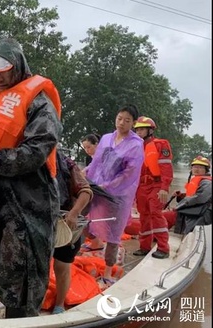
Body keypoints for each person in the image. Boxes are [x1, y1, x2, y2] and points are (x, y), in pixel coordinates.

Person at [0, 37, 62, 318]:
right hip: (2, 195)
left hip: (33, 198)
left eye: (1, 71)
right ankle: (12, 314)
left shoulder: (39, 103)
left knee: (25, 265)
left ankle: (23, 319)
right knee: (4, 264)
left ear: (17, 66)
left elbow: (36, 152)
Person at [84, 104, 144, 288]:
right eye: (119, 118)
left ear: (133, 123)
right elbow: (97, 163)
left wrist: (108, 185)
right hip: (99, 187)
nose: (122, 123)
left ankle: (108, 272)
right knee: (84, 218)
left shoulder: (135, 144)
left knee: (113, 233)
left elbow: (129, 173)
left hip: (119, 194)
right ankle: (94, 242)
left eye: (127, 120)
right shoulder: (106, 138)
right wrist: (83, 174)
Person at [51, 151, 93, 314]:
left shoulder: (66, 163)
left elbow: (85, 190)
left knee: (62, 264)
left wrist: (74, 213)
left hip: (65, 221)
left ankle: (59, 304)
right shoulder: (26, 158)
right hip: (38, 223)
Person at [133, 116, 173, 259]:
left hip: (156, 184)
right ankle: (144, 247)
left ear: (150, 130)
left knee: (156, 213)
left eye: (142, 129)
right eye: (137, 130)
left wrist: (164, 187)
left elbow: (166, 167)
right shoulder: (135, 147)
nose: (138, 132)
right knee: (144, 216)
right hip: (141, 186)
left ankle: (163, 248)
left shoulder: (160, 145)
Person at [171, 156, 212, 234]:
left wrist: (180, 205)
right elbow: (192, 195)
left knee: (192, 234)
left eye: (200, 167)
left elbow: (200, 198)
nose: (196, 169)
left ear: (206, 170)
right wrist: (181, 196)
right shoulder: (198, 180)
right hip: (194, 211)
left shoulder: (207, 182)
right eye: (195, 167)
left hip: (202, 214)